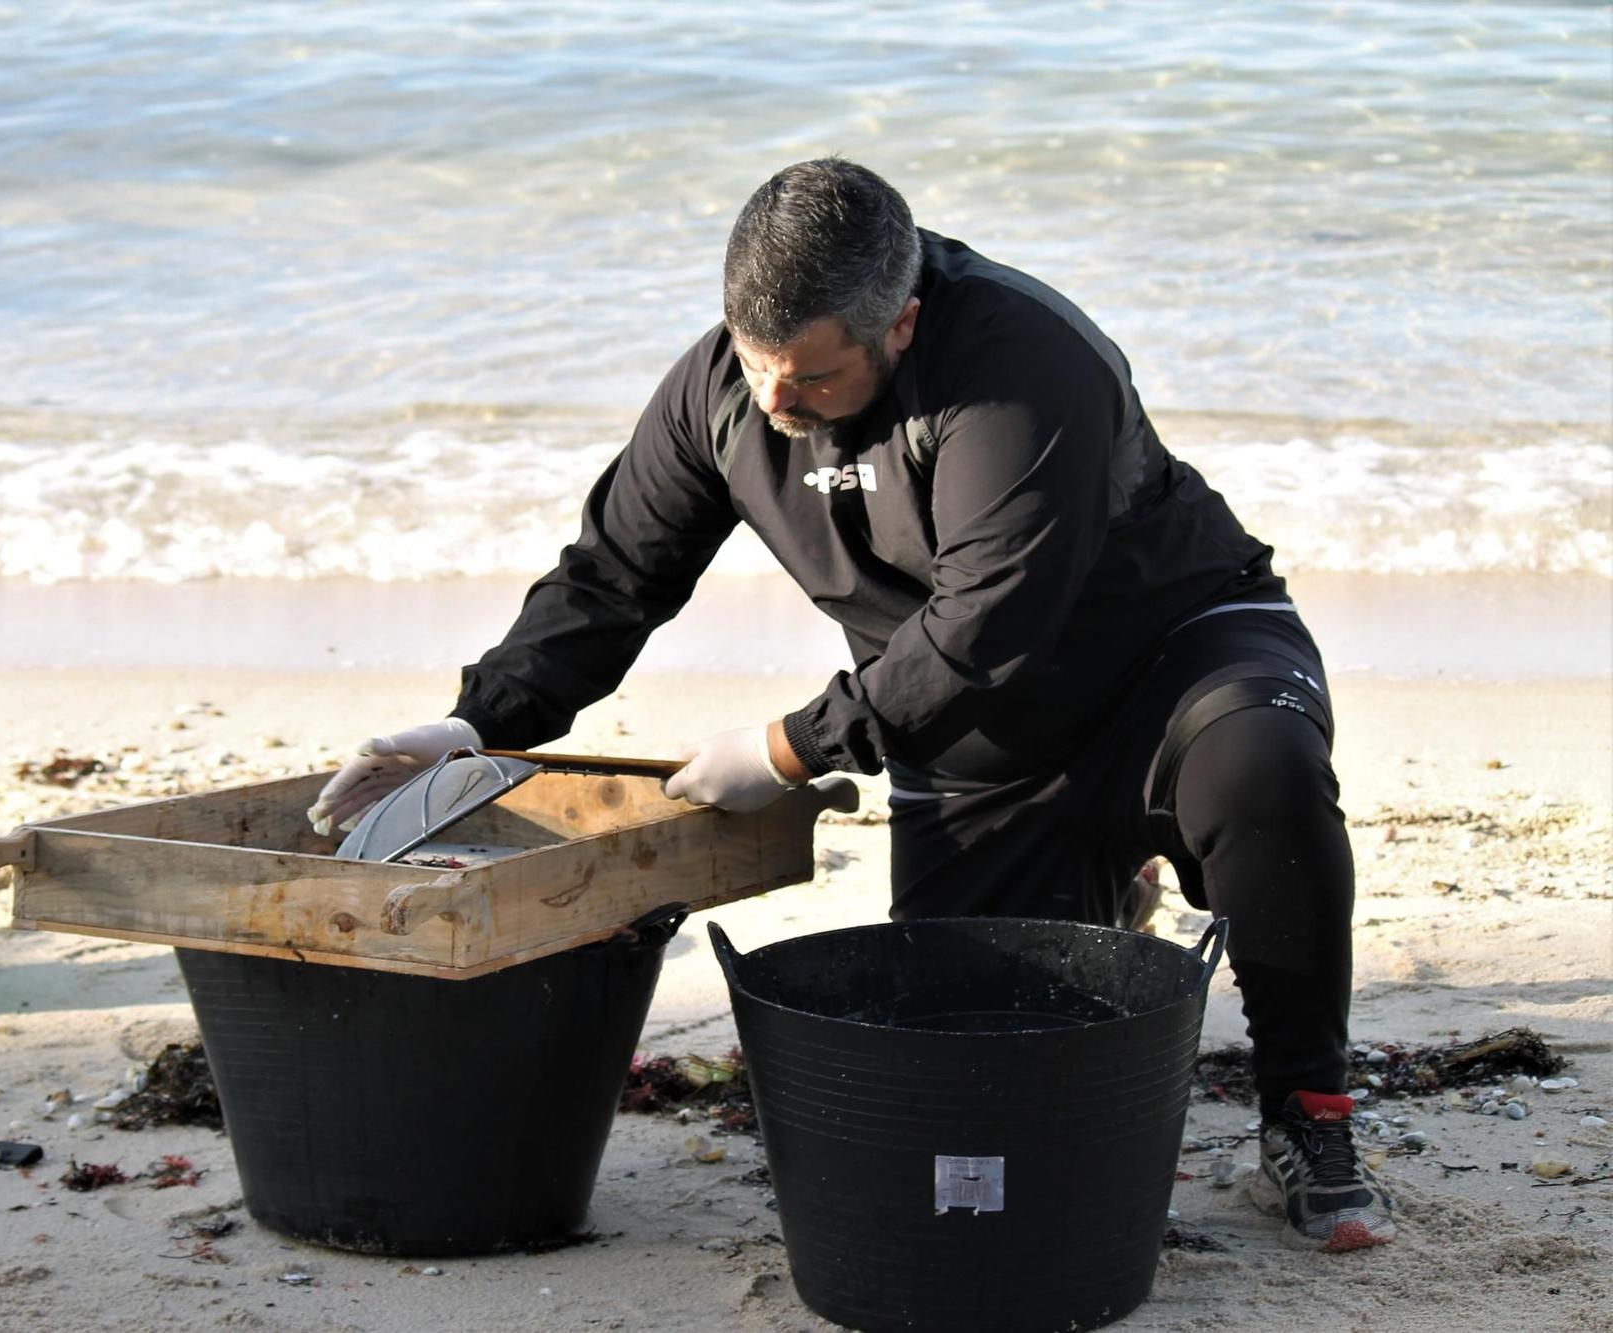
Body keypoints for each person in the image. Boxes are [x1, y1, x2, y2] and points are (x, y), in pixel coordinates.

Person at [307, 159, 1393, 1254]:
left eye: (815, 379)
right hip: (974, 749)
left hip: (1176, 662)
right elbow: (611, 577)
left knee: (1264, 770)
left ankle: (1307, 1111)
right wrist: (472, 723)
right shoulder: (729, 389)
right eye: (755, 364)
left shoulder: (1021, 367)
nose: (776, 403)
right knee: (961, 1077)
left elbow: (982, 629)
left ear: (902, 324)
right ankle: (1101, 890)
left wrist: (787, 749)